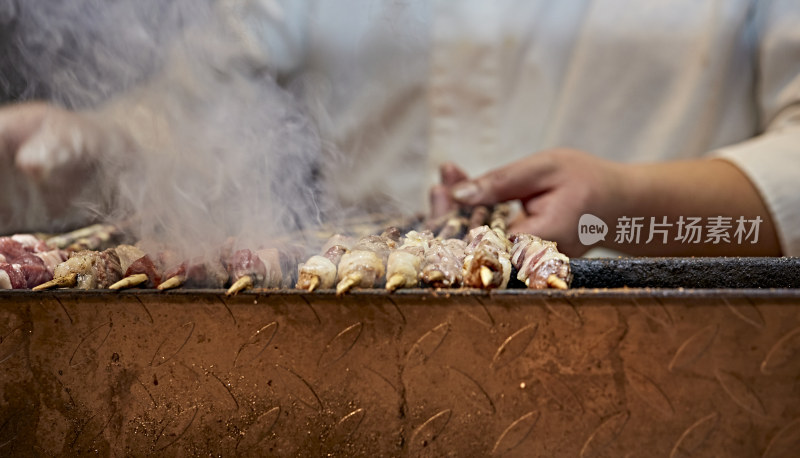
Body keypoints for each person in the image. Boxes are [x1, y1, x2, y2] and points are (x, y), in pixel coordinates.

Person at [0, 1, 798, 257]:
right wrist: (93, 144)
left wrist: (622, 204)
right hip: (365, 346)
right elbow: (202, 109)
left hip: (661, 347)